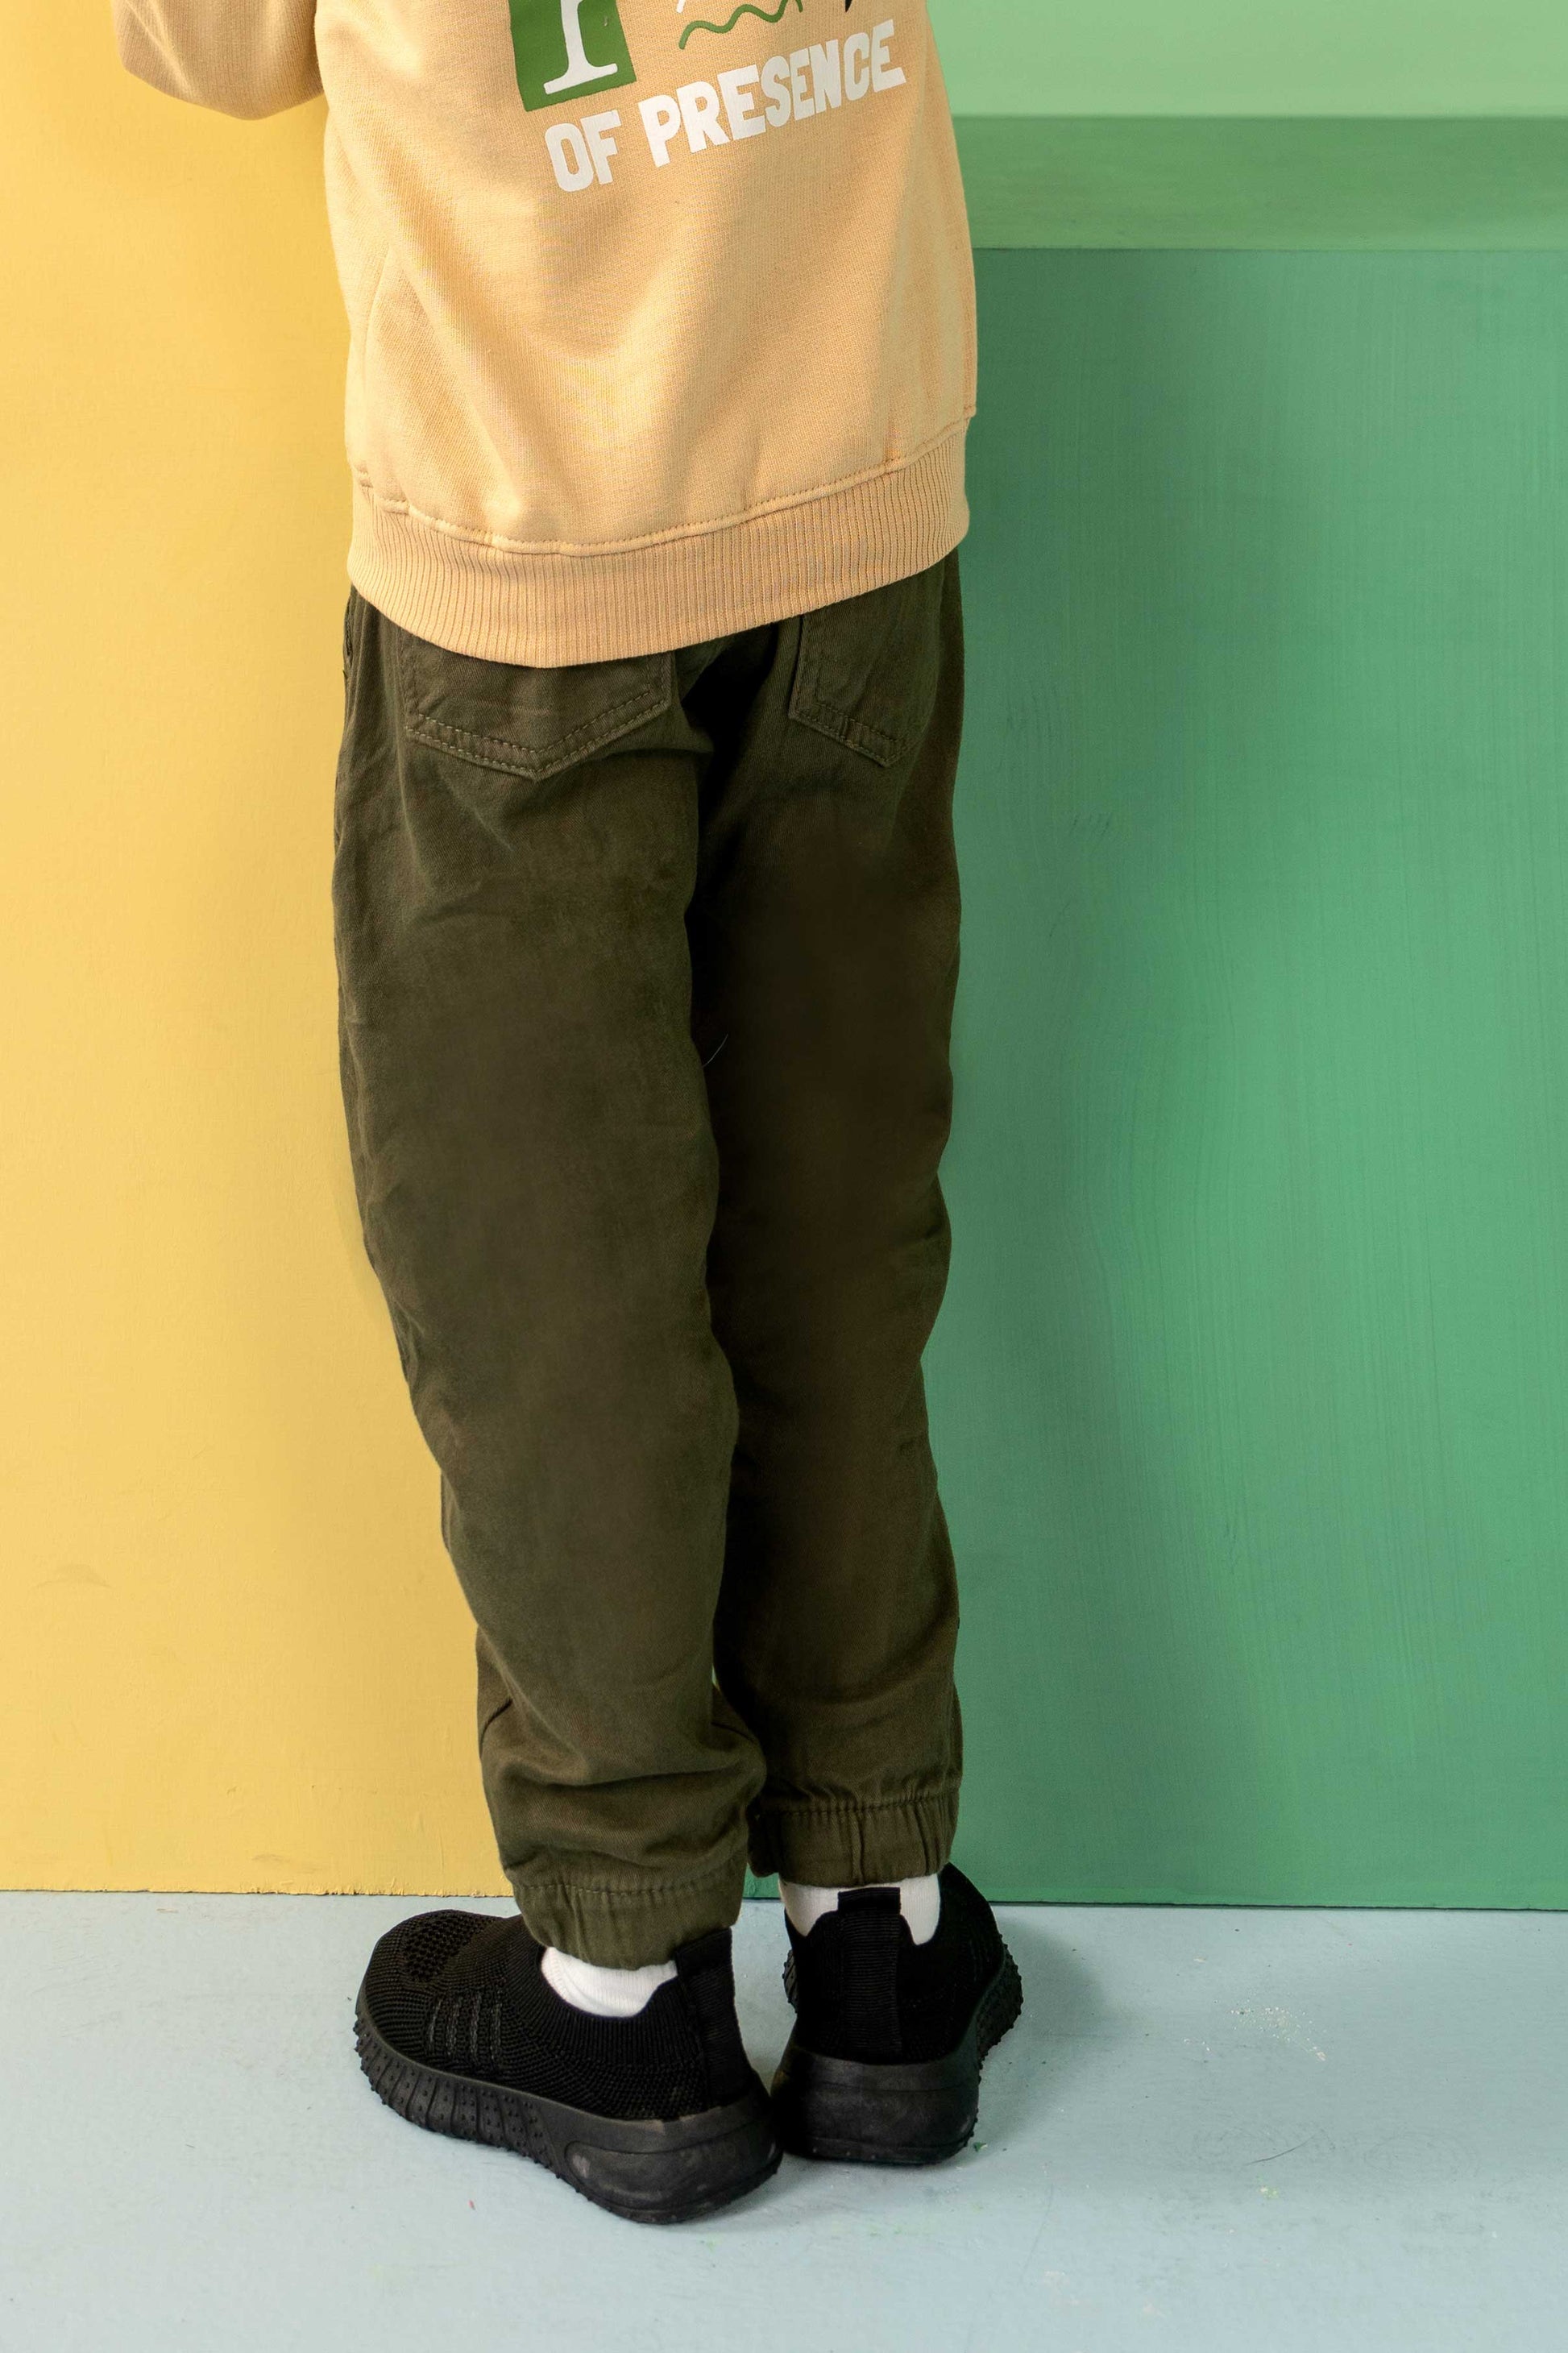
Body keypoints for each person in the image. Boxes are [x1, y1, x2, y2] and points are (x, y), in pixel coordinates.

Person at [114, 0, 1020, 2222]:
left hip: (539, 541)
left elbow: (210, 53)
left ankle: (626, 1982)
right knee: (831, 1229)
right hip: (861, 475)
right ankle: (880, 1916)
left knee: (554, 1287)